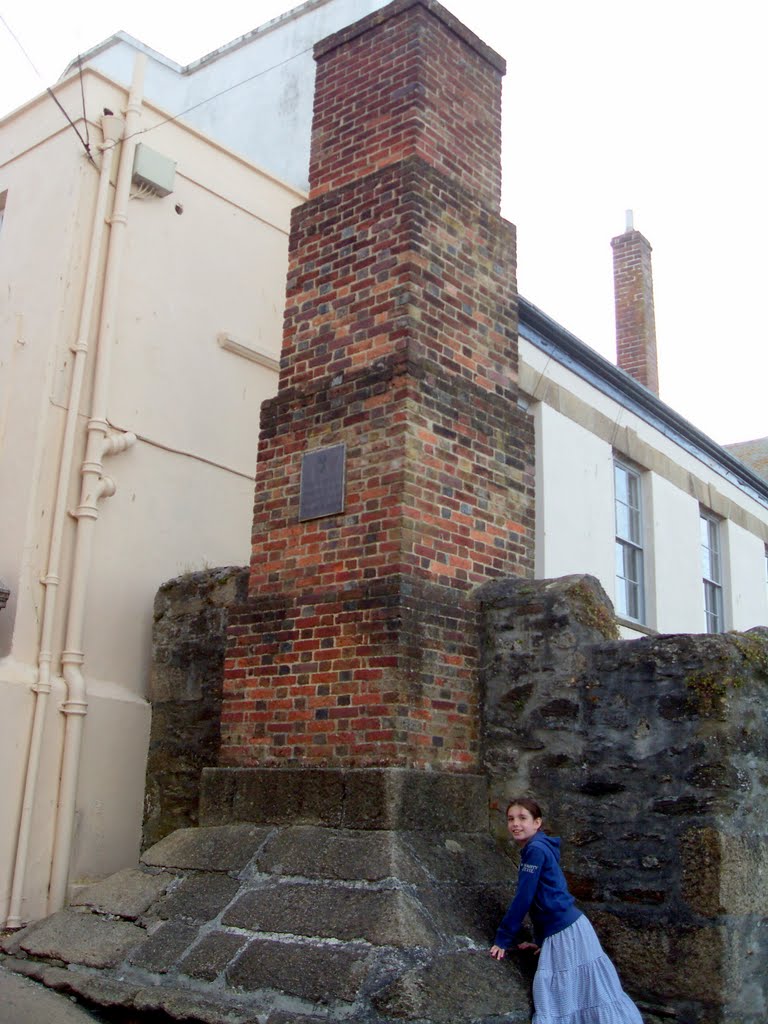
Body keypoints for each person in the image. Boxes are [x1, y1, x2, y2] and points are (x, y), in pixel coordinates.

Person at [490, 797, 643, 1023]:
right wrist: (542, 941)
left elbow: (524, 898)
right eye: (511, 819)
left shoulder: (535, 851)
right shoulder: (537, 848)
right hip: (569, 929)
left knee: (568, 999)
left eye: (523, 818)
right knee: (584, 996)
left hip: (568, 931)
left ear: (537, 822)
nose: (515, 824)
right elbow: (547, 897)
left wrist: (502, 939)